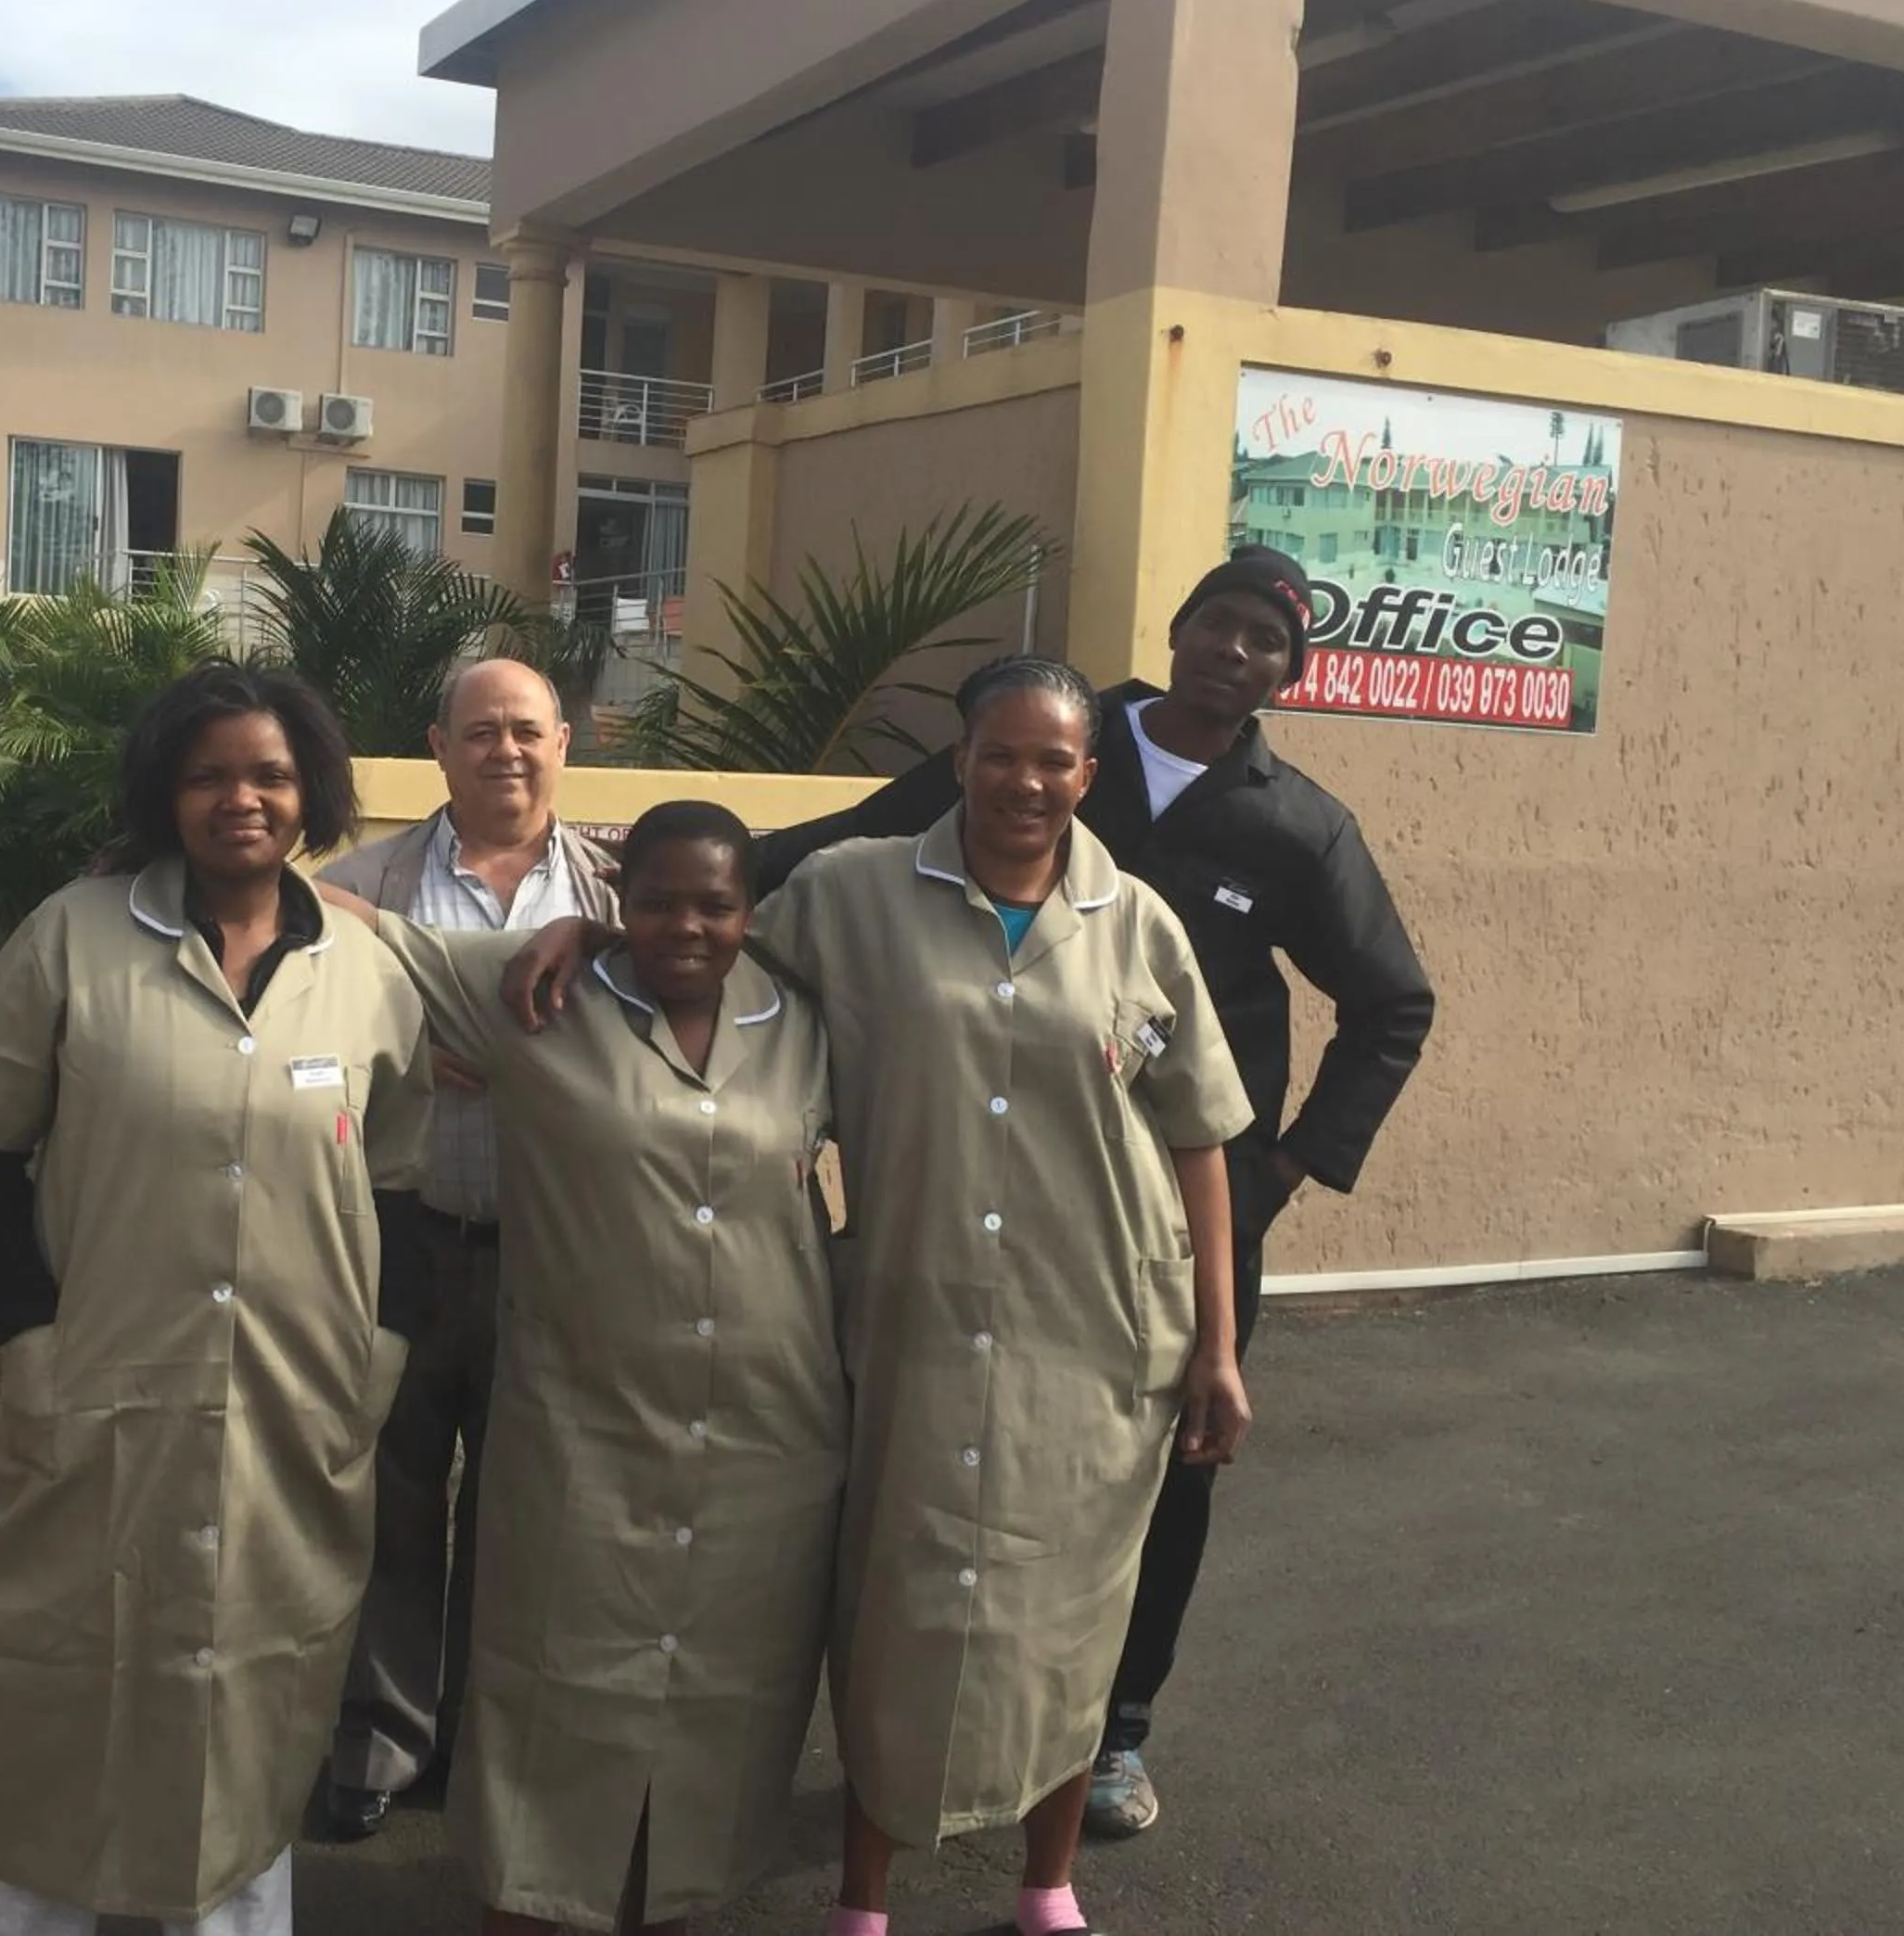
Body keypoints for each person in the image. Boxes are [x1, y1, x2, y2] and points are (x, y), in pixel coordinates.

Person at [511, 657, 1255, 1936]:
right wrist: (593, 926)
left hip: (1103, 1325)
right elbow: (709, 937)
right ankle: (866, 1893)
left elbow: (1196, 1134)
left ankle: (1047, 1877)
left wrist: (1218, 1343)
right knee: (895, 1608)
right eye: (1001, 753)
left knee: (1076, 1610)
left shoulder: (1139, 925)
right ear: (959, 759)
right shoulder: (853, 894)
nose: (1027, 780)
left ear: (1088, 774)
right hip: (907, 1319)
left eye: (1056, 759)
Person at [753, 547, 1435, 1840]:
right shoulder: (1051, 728)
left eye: (1268, 642)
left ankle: (1115, 1729)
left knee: (1164, 1468)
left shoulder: (1296, 822)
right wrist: (700, 866)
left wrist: (1282, 1166)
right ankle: (917, 1731)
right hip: (981, 1187)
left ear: (1290, 673)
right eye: (1219, 624)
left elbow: (1394, 1000)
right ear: (1177, 629)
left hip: (1179, 1208)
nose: (1237, 651)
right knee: (939, 1459)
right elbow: (858, 837)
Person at [0, 660, 433, 1936]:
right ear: (166, 793)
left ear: (311, 786)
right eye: (209, 774)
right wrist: (24, 1328)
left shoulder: (366, 968)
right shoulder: (75, 936)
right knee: (60, 1683)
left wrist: (381, 1348)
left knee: (252, 1699)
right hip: (101, 1386)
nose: (241, 798)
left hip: (289, 1409)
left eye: (268, 771)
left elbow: (403, 1182)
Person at [322, 800, 848, 1936]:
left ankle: (678, 1894)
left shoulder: (806, 1016)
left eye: (715, 904)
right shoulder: (533, 999)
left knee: (725, 1688)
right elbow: (365, 931)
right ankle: (533, 1902)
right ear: (616, 904)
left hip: (771, 1420)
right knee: (555, 1683)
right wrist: (195, 845)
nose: (687, 926)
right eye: (654, 902)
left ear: (753, 914)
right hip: (582, 1418)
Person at [309, 657, 620, 1842]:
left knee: (522, 1504)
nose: (507, 753)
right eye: (480, 732)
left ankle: (489, 1734)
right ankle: (382, 1736)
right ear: (436, 746)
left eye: (528, 732)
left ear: (563, 746)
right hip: (405, 1240)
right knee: (389, 1496)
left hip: (554, 1251)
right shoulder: (357, 886)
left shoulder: (613, 891)